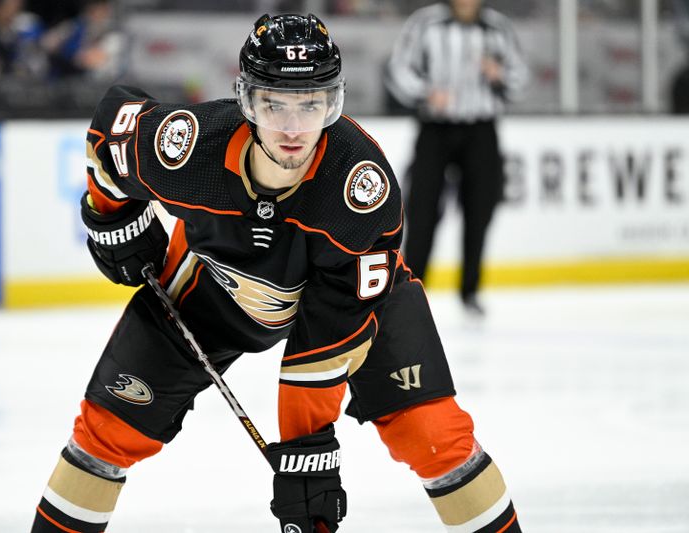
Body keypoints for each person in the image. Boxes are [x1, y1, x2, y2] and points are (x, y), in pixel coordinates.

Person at [31, 13, 522, 533]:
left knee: (434, 434)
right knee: (105, 431)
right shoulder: (189, 148)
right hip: (215, 287)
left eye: (311, 105)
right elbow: (111, 130)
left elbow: (324, 344)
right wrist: (112, 217)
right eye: (275, 105)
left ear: (333, 102)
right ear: (247, 100)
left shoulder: (360, 191)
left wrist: (306, 452)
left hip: (354, 301)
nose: (293, 129)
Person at [386, 0, 528, 316]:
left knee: (480, 209)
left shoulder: (497, 28)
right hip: (435, 129)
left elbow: (521, 76)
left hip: (481, 129)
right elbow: (398, 69)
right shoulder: (425, 24)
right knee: (422, 209)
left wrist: (499, 74)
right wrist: (425, 92)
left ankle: (470, 291)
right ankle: (413, 289)